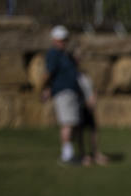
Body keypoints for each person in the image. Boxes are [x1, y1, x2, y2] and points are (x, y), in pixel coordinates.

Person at [41, 25, 82, 163]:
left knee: (72, 123)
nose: (63, 42)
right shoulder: (53, 54)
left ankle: (70, 152)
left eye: (65, 39)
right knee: (67, 123)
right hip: (62, 92)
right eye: (60, 39)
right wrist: (45, 88)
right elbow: (48, 73)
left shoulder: (66, 55)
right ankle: (67, 155)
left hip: (71, 92)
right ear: (54, 40)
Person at [75, 70, 109, 166]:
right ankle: (83, 155)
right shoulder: (73, 75)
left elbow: (93, 88)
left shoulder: (85, 75)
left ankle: (96, 153)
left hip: (89, 106)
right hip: (80, 105)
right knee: (80, 130)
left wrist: (94, 97)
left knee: (94, 129)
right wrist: (85, 101)